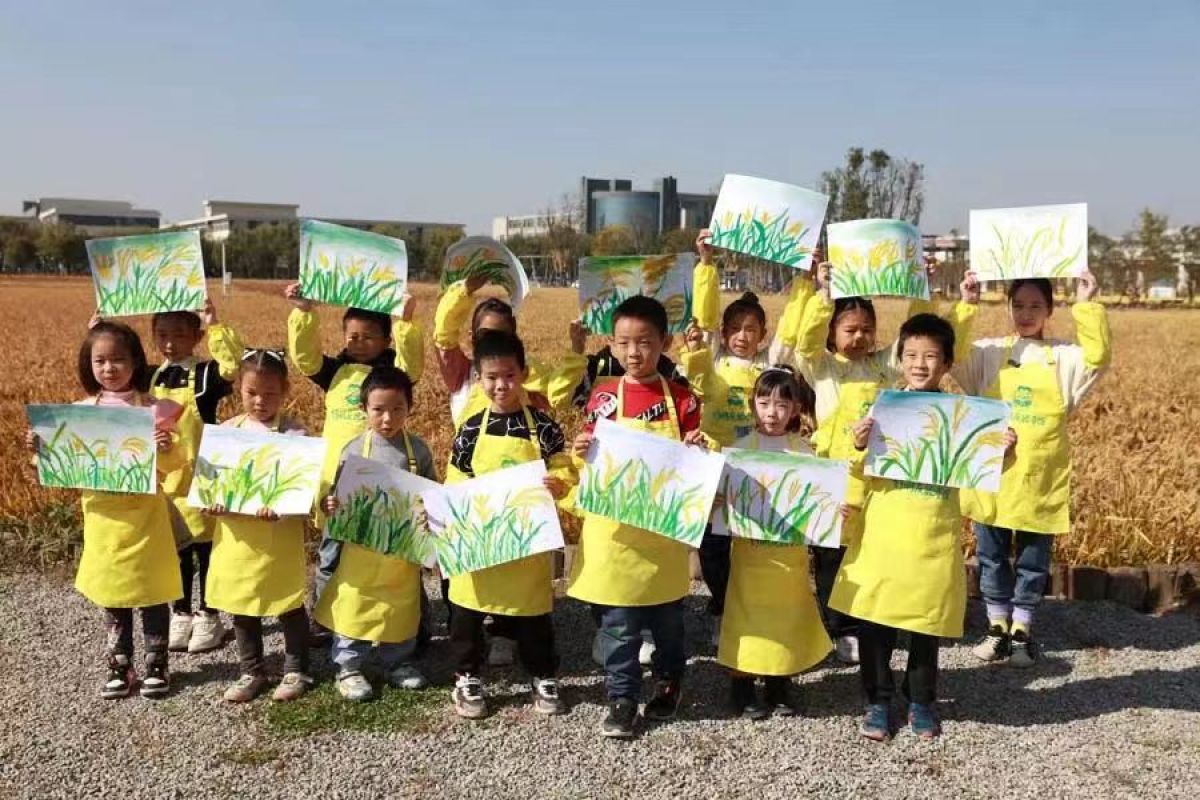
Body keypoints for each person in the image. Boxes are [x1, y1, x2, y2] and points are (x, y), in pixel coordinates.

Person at [830, 314, 1017, 740]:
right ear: (899, 359)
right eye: (911, 354)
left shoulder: (966, 417)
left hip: (933, 537)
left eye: (930, 356)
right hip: (883, 535)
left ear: (948, 362)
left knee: (924, 627)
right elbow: (855, 468)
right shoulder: (883, 407)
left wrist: (1001, 453)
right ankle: (877, 701)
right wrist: (858, 444)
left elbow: (980, 479)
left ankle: (921, 701)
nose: (919, 363)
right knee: (875, 625)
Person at [793, 261, 977, 664]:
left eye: (867, 330)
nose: (859, 337)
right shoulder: (821, 368)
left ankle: (873, 625)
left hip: (879, 479)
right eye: (849, 330)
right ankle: (838, 628)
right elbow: (803, 345)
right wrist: (823, 294)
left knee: (871, 559)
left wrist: (922, 286)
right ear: (831, 332)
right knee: (830, 558)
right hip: (834, 477)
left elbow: (920, 339)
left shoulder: (883, 365)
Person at [568, 295, 707, 739]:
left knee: (668, 622)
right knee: (619, 625)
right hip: (614, 535)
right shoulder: (604, 396)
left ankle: (669, 681)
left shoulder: (682, 399)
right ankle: (622, 698)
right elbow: (591, 457)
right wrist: (579, 454)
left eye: (645, 342)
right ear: (610, 344)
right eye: (624, 342)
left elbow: (696, 461)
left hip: (662, 537)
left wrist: (703, 450)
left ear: (663, 343)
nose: (634, 353)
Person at [954, 272, 1110, 666]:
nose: (1026, 313)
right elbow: (953, 355)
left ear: (1051, 310)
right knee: (990, 555)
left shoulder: (1064, 357)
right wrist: (967, 304)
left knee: (1032, 559)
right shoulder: (989, 352)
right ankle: (996, 626)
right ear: (1007, 307)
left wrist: (1087, 304)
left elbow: (1098, 357)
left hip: (1039, 475)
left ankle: (1022, 629)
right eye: (1018, 305)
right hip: (992, 473)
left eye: (1035, 305)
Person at [25, 321, 183, 699]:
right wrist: (39, 449)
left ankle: (157, 663)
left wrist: (164, 449)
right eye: (100, 360)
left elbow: (177, 463)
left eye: (118, 359)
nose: (109, 368)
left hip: (146, 518)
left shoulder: (155, 410)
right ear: (88, 364)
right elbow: (54, 464)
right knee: (114, 592)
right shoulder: (79, 413)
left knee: (152, 589)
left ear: (136, 362)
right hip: (103, 519)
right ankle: (119, 664)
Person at [433, 275, 583, 666]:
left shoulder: (527, 384)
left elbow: (561, 395)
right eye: (483, 334)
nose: (500, 383)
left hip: (521, 502)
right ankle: (468, 656)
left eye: (500, 334)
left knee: (519, 576)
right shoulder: (464, 372)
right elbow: (442, 334)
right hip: (476, 494)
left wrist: (576, 350)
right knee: (467, 586)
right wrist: (462, 291)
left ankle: (507, 637)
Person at [681, 229, 815, 647]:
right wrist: (706, 264)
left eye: (751, 329)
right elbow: (700, 325)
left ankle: (751, 607)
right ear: (724, 332)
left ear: (761, 333)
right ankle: (722, 603)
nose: (742, 335)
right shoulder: (714, 359)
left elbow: (793, 334)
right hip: (713, 463)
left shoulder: (769, 365)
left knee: (750, 542)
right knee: (713, 544)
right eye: (734, 327)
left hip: (757, 468)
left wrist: (807, 283)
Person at [443, 330, 574, 719]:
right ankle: (467, 676)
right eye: (492, 377)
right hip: (481, 544)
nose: (502, 385)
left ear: (524, 374)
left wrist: (560, 483)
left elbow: (564, 469)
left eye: (510, 376)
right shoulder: (468, 431)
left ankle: (543, 675)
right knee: (466, 613)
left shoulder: (545, 428)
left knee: (534, 615)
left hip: (527, 545)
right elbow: (455, 478)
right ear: (479, 380)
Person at [284, 285, 422, 643]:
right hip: (341, 484)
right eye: (352, 336)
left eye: (368, 337)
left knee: (398, 557)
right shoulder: (334, 370)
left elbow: (413, 365)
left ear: (386, 338)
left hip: (389, 483)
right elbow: (305, 359)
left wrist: (406, 323)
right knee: (331, 554)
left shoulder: (394, 371)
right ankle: (325, 620)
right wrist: (303, 314)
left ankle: (409, 625)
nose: (359, 343)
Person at [716, 366, 834, 719]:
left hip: (789, 558)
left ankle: (780, 684)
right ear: (753, 404)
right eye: (764, 402)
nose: (772, 412)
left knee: (786, 618)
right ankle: (742, 685)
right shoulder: (738, 450)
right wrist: (718, 502)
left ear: (796, 408)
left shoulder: (804, 453)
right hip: (749, 557)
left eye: (782, 404)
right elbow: (721, 497)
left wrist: (832, 511)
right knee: (745, 619)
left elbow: (817, 501)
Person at [314, 365, 438, 701]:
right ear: (364, 409)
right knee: (354, 605)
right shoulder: (353, 449)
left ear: (409, 408)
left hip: (401, 553)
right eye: (378, 410)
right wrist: (329, 505)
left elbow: (433, 493)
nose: (387, 418)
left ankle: (397, 661)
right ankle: (348, 666)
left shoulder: (419, 450)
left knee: (400, 607)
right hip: (360, 553)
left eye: (397, 409)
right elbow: (335, 494)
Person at [201, 349, 312, 703]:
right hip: (238, 541)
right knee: (242, 605)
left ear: (285, 391)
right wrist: (213, 503)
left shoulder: (297, 433)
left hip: (278, 538)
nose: (260, 401)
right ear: (239, 389)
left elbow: (305, 488)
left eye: (270, 394)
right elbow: (208, 488)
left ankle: (296, 669)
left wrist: (285, 506)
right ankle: (251, 670)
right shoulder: (226, 432)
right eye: (251, 393)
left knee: (288, 603)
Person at [146, 301, 244, 655]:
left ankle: (210, 614)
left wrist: (216, 324)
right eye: (162, 335)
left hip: (205, 477)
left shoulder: (204, 377)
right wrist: (97, 327)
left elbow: (233, 366)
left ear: (196, 337)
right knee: (177, 550)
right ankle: (181, 611)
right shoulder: (151, 377)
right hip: (167, 479)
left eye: (179, 335)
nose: (170, 344)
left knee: (208, 550)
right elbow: (113, 382)